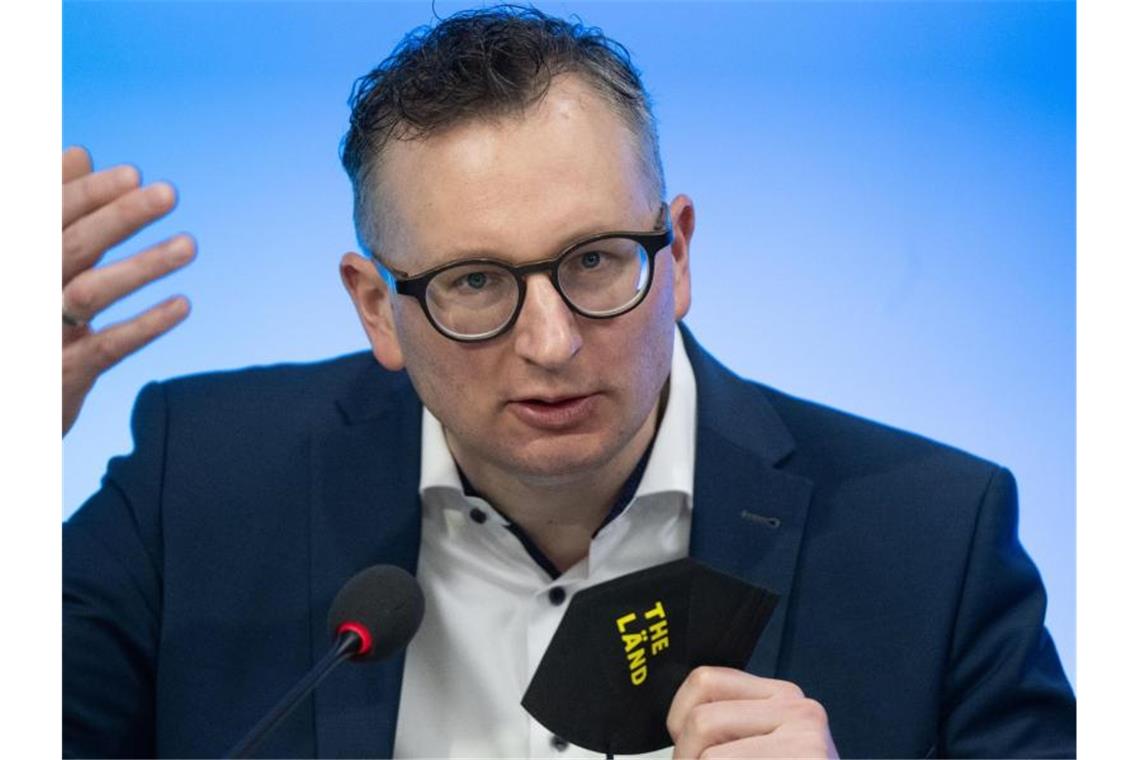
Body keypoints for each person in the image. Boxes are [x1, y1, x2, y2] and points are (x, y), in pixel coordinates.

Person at [62, 6, 1075, 758]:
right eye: (474, 281)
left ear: (676, 251)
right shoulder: (197, 480)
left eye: (594, 260)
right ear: (377, 307)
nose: (549, 341)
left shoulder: (934, 538)